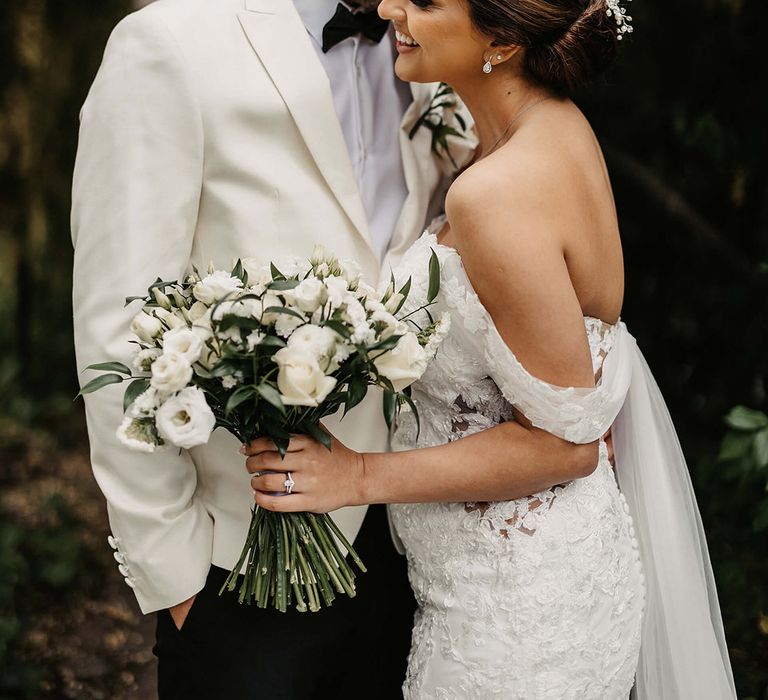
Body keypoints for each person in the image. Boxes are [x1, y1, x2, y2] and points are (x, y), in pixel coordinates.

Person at [243, 0, 738, 698]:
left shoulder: (496, 194)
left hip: (517, 618)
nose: (389, 8)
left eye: (425, 2)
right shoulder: (547, 130)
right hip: (517, 579)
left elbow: (566, 445)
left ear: (502, 41)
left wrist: (356, 477)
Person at [71, 0, 475, 697]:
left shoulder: (431, 58)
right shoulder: (166, 42)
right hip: (238, 566)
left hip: (406, 549)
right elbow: (117, 325)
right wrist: (177, 576)